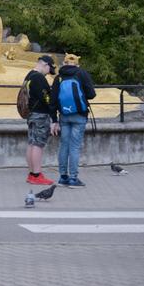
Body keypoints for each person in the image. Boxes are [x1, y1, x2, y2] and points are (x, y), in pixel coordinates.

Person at [51, 53, 96, 188]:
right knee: (74, 147)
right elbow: (91, 94)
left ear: (64, 63)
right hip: (79, 115)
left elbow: (53, 100)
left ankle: (63, 177)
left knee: (64, 146)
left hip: (64, 115)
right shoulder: (82, 74)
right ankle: (73, 179)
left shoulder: (58, 78)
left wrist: (54, 119)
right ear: (77, 64)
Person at [23, 55, 58, 185]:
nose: (49, 73)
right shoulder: (39, 78)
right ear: (45, 65)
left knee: (32, 143)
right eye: (49, 70)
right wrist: (54, 116)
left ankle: (32, 173)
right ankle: (36, 175)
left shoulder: (29, 75)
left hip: (31, 114)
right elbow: (47, 99)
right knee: (38, 145)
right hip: (40, 115)